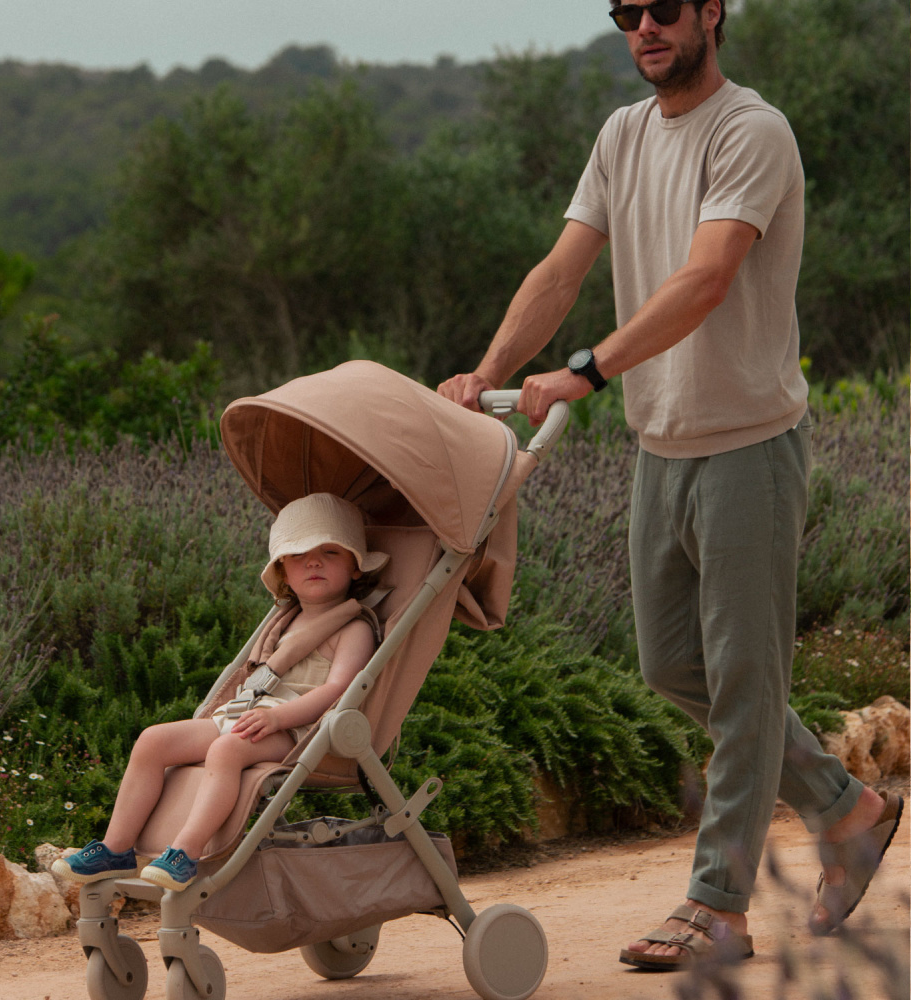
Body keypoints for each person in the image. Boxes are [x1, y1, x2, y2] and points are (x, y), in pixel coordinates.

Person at [438, 0, 902, 971]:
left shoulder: (751, 131)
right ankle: (843, 807)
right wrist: (486, 372)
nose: (642, 26)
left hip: (748, 449)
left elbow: (706, 277)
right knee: (671, 668)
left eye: (660, 8)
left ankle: (717, 905)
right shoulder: (621, 135)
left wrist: (587, 369)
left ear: (711, 12)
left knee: (742, 684)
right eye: (624, 12)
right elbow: (561, 270)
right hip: (662, 446)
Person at [53, 492, 388, 892]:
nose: (313, 562)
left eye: (330, 552)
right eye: (299, 555)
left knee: (227, 750)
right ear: (283, 572)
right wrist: (255, 712)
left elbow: (338, 690)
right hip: (247, 712)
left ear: (355, 568)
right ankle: (116, 847)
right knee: (153, 740)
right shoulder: (285, 622)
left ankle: (185, 852)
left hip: (299, 730)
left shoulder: (354, 628)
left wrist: (277, 718)